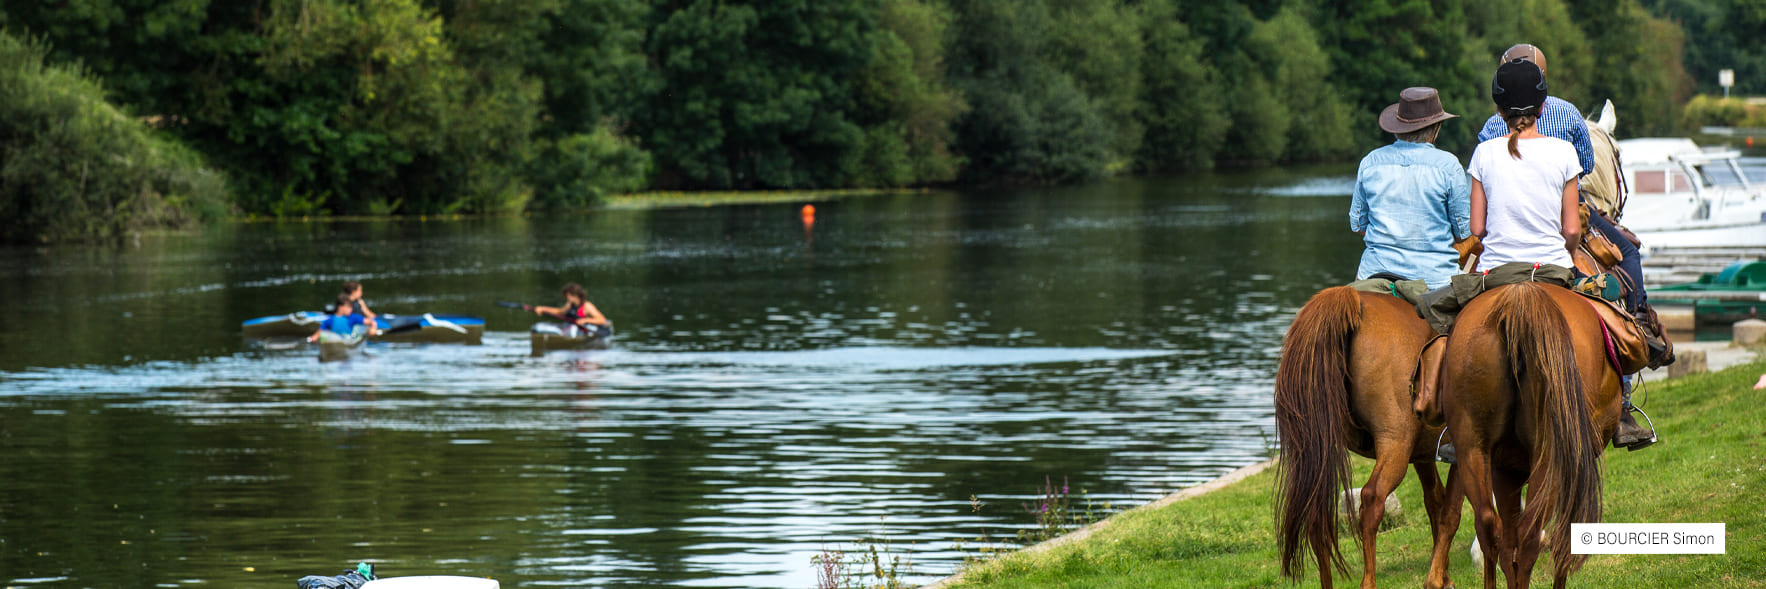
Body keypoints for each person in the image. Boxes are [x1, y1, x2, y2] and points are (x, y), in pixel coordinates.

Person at [1465, 58, 1655, 451]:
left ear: (1498, 110)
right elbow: (1572, 229)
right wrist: (1566, 251)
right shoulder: (1564, 150)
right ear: (1542, 105)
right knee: (1612, 324)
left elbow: (1477, 229)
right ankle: (1620, 408)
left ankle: (1453, 424)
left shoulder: (1484, 152)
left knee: (1448, 331)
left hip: (1494, 275)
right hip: (1553, 270)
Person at [1350, 87, 1472, 289]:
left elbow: (1358, 226)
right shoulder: (1449, 166)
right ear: (1435, 129)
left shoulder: (1370, 162)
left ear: (1397, 126)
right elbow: (1462, 232)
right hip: (1435, 279)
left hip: (1374, 274)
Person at [531, 283, 609, 331]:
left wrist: (585, 320)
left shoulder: (587, 306)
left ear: (575, 295)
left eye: (567, 296)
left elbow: (602, 320)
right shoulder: (570, 304)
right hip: (571, 330)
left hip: (585, 332)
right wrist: (542, 308)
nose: (565, 298)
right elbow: (559, 311)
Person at [309, 293, 379, 342]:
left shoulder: (353, 317)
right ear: (340, 307)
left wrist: (373, 328)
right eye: (348, 307)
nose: (351, 310)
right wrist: (312, 339)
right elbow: (316, 335)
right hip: (334, 341)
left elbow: (371, 322)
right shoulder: (330, 320)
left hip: (347, 341)